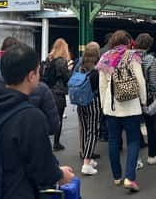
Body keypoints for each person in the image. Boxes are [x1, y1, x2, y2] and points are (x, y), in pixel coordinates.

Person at [0, 43, 74, 198]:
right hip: (17, 190)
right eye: (38, 72)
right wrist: (60, 174)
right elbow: (43, 169)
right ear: (31, 76)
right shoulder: (31, 117)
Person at [97, 30, 147, 192]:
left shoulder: (105, 58)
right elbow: (140, 81)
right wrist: (143, 100)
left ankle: (117, 176)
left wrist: (104, 105)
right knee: (133, 141)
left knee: (113, 140)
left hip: (112, 108)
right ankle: (130, 178)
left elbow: (102, 85)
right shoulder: (133, 56)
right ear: (127, 42)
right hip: (131, 107)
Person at [75, 42, 102, 175]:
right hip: (93, 102)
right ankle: (86, 163)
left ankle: (88, 157)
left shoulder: (80, 65)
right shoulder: (97, 68)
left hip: (81, 102)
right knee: (93, 132)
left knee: (85, 130)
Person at [136, 33, 156, 166]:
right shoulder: (150, 59)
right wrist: (153, 94)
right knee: (151, 126)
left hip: (132, 96)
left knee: (134, 128)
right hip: (147, 96)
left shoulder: (130, 56)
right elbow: (152, 81)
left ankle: (135, 160)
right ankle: (152, 156)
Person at [46, 38, 72, 151]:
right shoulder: (62, 62)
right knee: (58, 118)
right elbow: (67, 78)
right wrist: (69, 69)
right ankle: (56, 143)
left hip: (48, 90)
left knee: (47, 116)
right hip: (58, 92)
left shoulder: (49, 59)